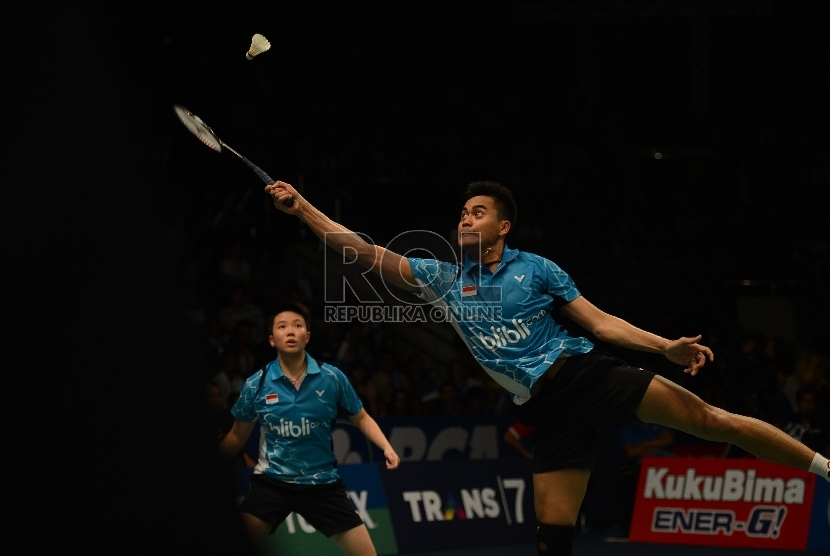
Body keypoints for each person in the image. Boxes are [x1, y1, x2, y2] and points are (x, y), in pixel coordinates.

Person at [265, 179, 830, 556]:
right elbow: (364, 252)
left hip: (585, 376)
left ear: (504, 226)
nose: (466, 217)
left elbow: (601, 323)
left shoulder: (535, 268)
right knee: (553, 531)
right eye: (462, 211)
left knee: (712, 420)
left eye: (478, 211)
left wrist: (664, 348)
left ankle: (825, 468)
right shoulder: (440, 277)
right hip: (544, 409)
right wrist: (304, 208)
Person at [219, 301, 401, 555]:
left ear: (308, 336)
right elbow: (237, 435)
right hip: (272, 483)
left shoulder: (332, 378)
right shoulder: (256, 385)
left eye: (297, 325)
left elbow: (361, 417)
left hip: (322, 485)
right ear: (272, 340)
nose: (291, 331)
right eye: (282, 327)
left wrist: (386, 446)